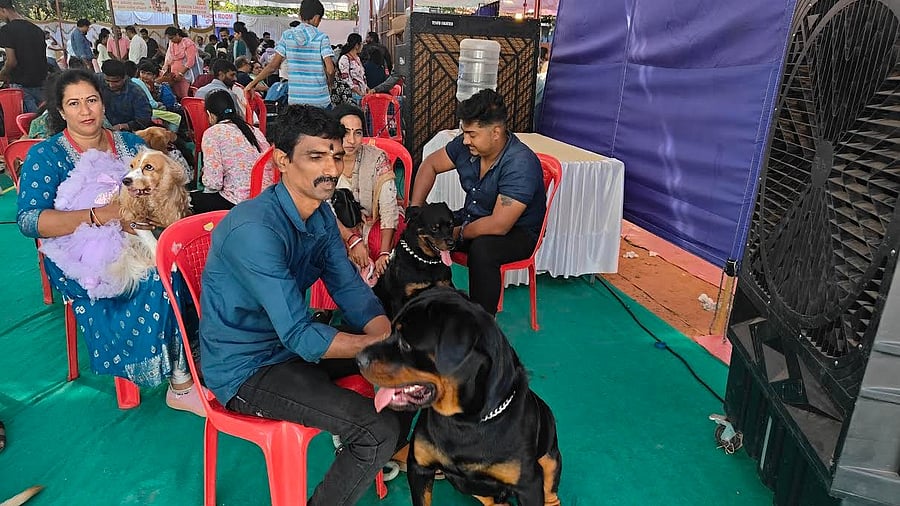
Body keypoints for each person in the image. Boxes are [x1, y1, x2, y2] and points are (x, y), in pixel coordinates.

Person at [200, 104, 409, 505]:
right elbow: (300, 335)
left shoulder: (321, 216)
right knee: (375, 428)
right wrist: (374, 346)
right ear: (282, 160)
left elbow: (349, 288)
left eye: (334, 154)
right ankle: (376, 447)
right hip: (246, 368)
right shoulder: (255, 230)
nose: (330, 167)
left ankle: (384, 451)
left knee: (414, 364)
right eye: (315, 156)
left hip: (289, 345)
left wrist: (383, 333)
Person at [16, 69, 204, 416]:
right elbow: (29, 221)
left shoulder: (131, 145)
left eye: (91, 100)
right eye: (74, 104)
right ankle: (180, 382)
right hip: (79, 252)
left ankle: (202, 355)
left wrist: (148, 217)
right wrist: (102, 215)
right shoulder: (47, 156)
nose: (85, 111)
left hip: (142, 236)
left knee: (197, 263)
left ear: (104, 102)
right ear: (60, 111)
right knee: (159, 278)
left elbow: (164, 189)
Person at [409, 89, 546, 315]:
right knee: (423, 228)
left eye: (472, 134)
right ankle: (424, 304)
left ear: (496, 132)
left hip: (517, 232)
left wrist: (456, 233)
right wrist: (415, 210)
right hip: (475, 216)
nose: (465, 140)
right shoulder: (466, 146)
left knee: (483, 251)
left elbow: (499, 225)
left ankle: (482, 322)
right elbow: (429, 165)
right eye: (464, 133)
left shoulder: (520, 163)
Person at [309, 104, 402, 322]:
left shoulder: (377, 158)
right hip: (337, 224)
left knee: (380, 244)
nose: (351, 139)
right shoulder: (324, 161)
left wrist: (384, 253)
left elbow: (388, 207)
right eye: (345, 131)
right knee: (325, 243)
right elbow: (323, 208)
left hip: (375, 219)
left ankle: (375, 299)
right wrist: (352, 240)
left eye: (358, 132)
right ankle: (326, 307)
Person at [191, 89, 268, 213]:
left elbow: (213, 183)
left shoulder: (212, 133)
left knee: (186, 200)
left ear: (210, 115)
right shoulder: (253, 130)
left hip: (238, 203)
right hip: (267, 198)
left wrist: (204, 175)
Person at [246, 0, 334, 108]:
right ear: (316, 18)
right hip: (319, 100)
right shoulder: (321, 37)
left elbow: (272, 66)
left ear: (300, 15)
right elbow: (330, 70)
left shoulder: (287, 36)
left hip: (296, 101)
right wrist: (330, 84)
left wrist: (252, 83)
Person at [0, 0, 47, 113]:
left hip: (22, 85)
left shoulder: (7, 30)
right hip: (41, 83)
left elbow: (11, 61)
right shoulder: (37, 30)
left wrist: (2, 74)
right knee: (44, 119)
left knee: (28, 122)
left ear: (2, 10)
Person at [100, 59, 153, 132]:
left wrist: (123, 126)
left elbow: (144, 119)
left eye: (116, 81)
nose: (111, 85)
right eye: (107, 81)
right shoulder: (99, 81)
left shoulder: (136, 93)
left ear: (124, 77)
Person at [131, 60, 182, 131]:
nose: (145, 76)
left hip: (144, 110)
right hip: (145, 111)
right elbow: (152, 104)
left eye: (148, 74)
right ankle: (169, 137)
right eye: (143, 73)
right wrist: (158, 105)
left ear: (154, 76)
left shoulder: (154, 85)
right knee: (176, 118)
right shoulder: (140, 83)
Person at [162, 26, 201, 99]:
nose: (171, 40)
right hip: (174, 75)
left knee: (185, 95)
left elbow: (190, 61)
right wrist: (166, 70)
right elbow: (168, 58)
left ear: (177, 34)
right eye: (170, 38)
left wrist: (181, 74)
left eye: (172, 37)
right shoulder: (171, 43)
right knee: (176, 95)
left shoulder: (188, 43)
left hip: (186, 75)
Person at [337, 33, 367, 103]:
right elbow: (346, 78)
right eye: (361, 44)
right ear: (357, 45)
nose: (362, 46)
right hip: (351, 96)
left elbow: (361, 76)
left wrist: (366, 88)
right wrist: (359, 92)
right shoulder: (344, 59)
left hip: (361, 95)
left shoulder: (357, 59)